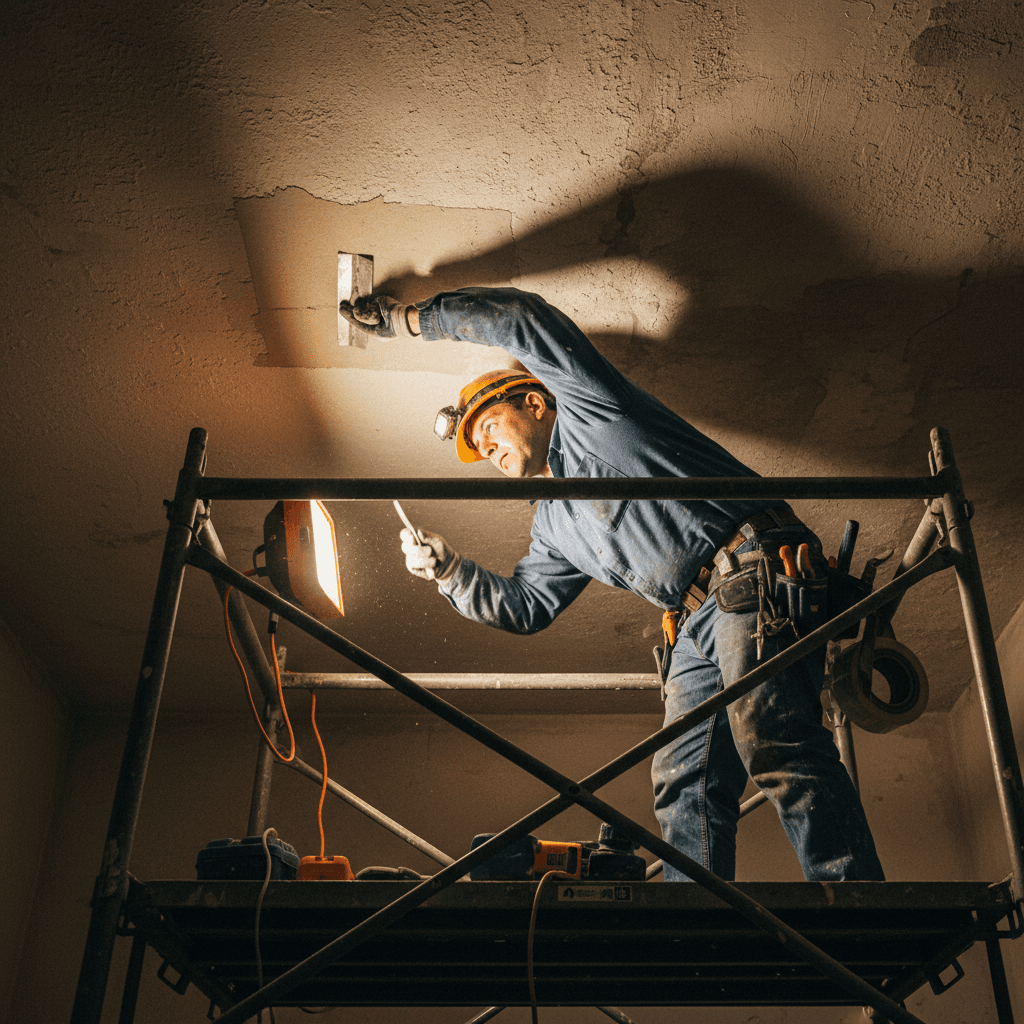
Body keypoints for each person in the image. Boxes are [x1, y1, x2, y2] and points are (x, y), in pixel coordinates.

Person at [340, 286, 884, 883]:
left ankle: (852, 895)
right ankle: (688, 926)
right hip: (697, 619)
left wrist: (409, 320)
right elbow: (529, 605)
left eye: (489, 426)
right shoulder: (553, 523)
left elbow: (522, 320)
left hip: (748, 570)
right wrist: (450, 572)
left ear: (536, 403)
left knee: (773, 735)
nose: (485, 447)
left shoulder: (591, 408)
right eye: (475, 446)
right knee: (683, 781)